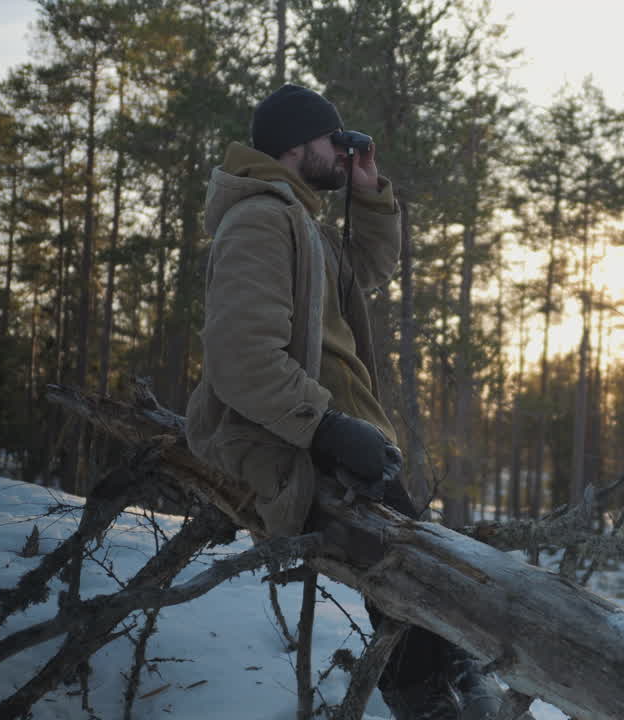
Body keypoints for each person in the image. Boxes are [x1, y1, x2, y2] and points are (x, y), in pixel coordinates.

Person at [185, 85, 508, 720]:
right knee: (410, 566)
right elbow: (241, 359)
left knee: (418, 561)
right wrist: (328, 429)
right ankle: (429, 695)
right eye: (335, 141)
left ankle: (444, 678)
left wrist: (368, 192)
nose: (344, 150)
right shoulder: (259, 219)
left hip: (329, 432)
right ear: (297, 146)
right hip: (288, 439)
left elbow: (367, 271)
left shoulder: (301, 221)